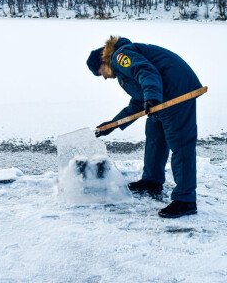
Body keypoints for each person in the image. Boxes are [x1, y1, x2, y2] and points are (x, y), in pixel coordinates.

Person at [87, 36, 203, 218]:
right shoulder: (123, 65)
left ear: (103, 62)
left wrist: (153, 98)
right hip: (161, 94)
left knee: (180, 144)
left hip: (177, 91)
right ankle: (152, 181)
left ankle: (185, 200)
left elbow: (146, 71)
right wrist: (113, 124)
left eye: (99, 72)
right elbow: (139, 102)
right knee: (155, 138)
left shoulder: (120, 57)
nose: (103, 77)